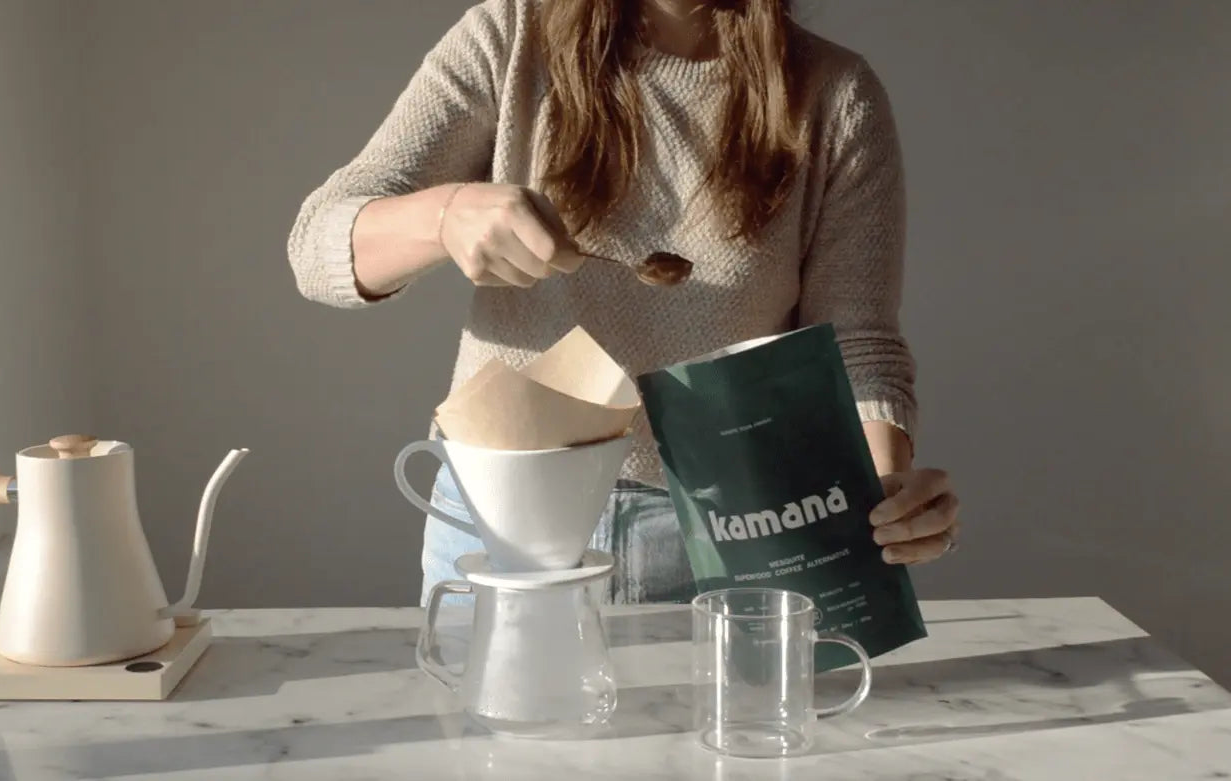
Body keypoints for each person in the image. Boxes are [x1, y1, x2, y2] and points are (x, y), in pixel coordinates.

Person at [288, 0, 961, 605]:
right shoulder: (509, 35)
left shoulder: (836, 95)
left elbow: (855, 342)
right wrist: (446, 215)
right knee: (491, 744)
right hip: (507, 514)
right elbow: (316, 248)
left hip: (740, 527)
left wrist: (881, 498)